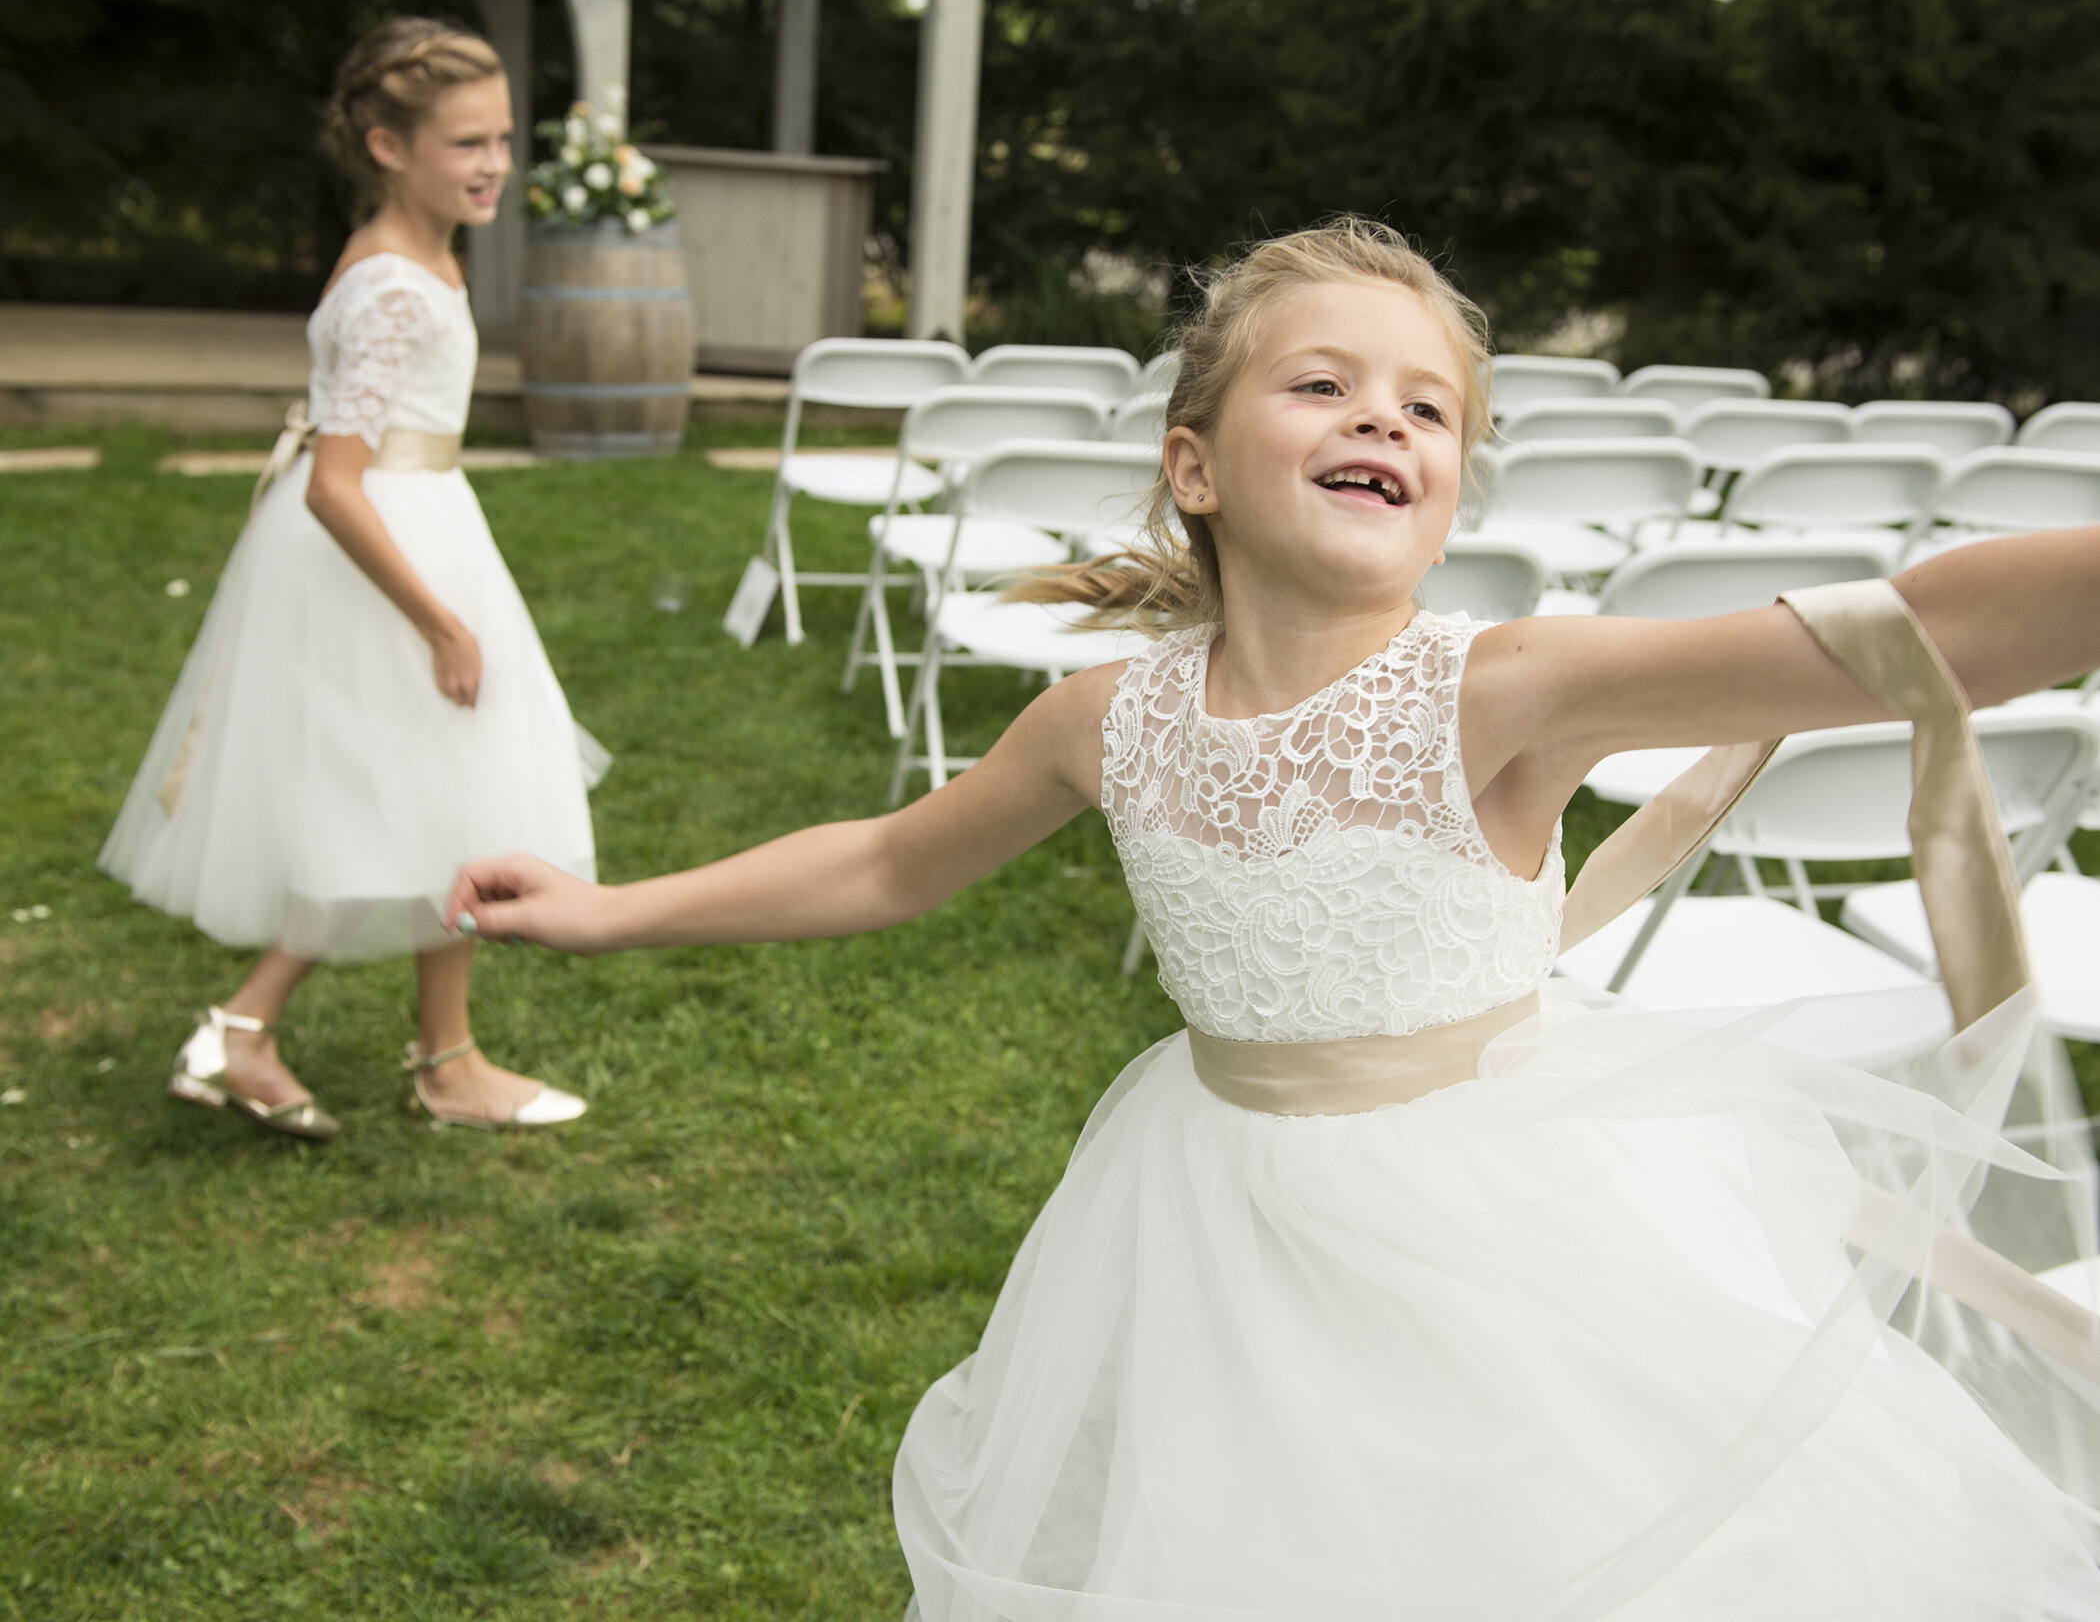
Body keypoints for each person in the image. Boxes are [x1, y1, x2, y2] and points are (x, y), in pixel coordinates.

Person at [449, 219, 2100, 1612]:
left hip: (1511, 1233)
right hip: (1225, 1218)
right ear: (1196, 464)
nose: (1380, 420)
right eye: (1321, 384)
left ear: (1454, 484)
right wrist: (610, 911)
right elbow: (888, 864)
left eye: (1429, 408)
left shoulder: (1506, 686)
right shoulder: (1105, 718)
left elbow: (1904, 634)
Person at [101, 18, 601, 1139]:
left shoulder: (420, 254)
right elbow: (336, 482)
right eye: (464, 143)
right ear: (385, 145)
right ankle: (265, 1031)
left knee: (432, 797)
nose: (493, 166)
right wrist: (439, 623)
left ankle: (433, 1052)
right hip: (381, 550)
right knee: (406, 799)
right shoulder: (393, 284)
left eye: (504, 140)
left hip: (419, 522)